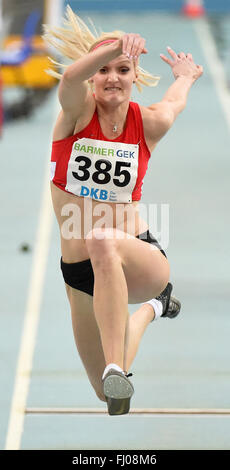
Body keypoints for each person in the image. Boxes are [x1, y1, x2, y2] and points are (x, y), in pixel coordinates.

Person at [44, 6, 203, 416]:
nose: (113, 77)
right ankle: (156, 308)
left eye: (123, 69)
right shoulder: (75, 117)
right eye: (105, 70)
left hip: (138, 256)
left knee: (101, 239)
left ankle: (118, 362)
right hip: (80, 273)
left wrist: (185, 77)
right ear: (93, 78)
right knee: (106, 394)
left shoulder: (147, 124)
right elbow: (69, 77)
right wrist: (115, 46)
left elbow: (174, 102)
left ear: (135, 77)